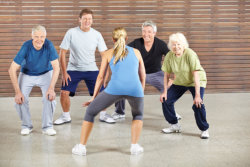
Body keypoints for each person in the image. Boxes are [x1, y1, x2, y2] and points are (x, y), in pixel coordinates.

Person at [72, 27, 146, 155]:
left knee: (90, 112)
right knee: (138, 115)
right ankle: (134, 147)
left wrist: (93, 97)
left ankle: (82, 147)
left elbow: (100, 77)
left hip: (114, 89)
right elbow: (143, 75)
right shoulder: (137, 52)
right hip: (136, 89)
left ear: (113, 39)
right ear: (126, 38)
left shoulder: (108, 53)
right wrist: (141, 91)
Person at [53, 9, 115, 125]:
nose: (87, 21)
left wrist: (105, 75)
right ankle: (66, 116)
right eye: (85, 18)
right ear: (79, 20)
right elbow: (62, 53)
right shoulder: (71, 32)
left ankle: (103, 115)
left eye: (90, 19)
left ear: (92, 20)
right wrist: (64, 72)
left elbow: (105, 56)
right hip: (73, 69)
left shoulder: (97, 34)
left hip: (91, 68)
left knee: (102, 93)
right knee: (64, 92)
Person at [112, 20, 181, 121]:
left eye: (149, 31)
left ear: (154, 33)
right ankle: (119, 112)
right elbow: (122, 52)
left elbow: (173, 59)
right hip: (137, 73)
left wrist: (173, 79)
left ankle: (171, 112)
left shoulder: (160, 44)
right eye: (144, 31)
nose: (146, 34)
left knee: (170, 88)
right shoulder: (136, 43)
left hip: (155, 73)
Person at [8, 25, 60, 136]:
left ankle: (47, 126)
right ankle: (26, 125)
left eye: (42, 36)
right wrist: (17, 92)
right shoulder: (26, 46)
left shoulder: (49, 45)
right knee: (20, 99)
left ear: (45, 36)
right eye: (36, 36)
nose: (39, 39)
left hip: (45, 73)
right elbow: (12, 69)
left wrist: (51, 88)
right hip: (27, 73)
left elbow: (56, 67)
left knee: (49, 97)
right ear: (32, 36)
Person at [160, 32, 210, 139]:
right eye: (173, 44)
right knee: (166, 99)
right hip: (180, 81)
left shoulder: (190, 54)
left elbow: (196, 75)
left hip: (196, 81)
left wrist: (197, 95)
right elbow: (166, 75)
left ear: (183, 45)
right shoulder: (169, 56)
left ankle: (204, 129)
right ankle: (174, 125)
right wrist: (164, 91)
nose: (176, 47)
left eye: (178, 44)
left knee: (198, 103)